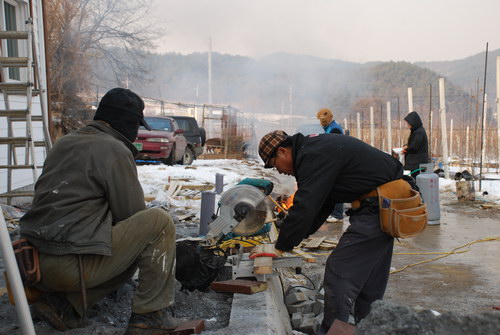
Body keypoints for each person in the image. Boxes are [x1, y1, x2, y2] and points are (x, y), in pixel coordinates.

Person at [20, 88, 186, 333]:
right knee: (158, 223)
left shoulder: (65, 142)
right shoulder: (115, 150)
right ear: (127, 123)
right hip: (70, 265)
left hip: (34, 264)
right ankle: (150, 316)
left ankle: (64, 306)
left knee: (117, 249)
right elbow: (132, 215)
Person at [258, 130, 404, 333]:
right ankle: (369, 328)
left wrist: (281, 245)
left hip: (379, 208)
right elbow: (323, 203)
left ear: (282, 151)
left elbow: (306, 204)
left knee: (339, 270)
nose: (279, 171)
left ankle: (331, 331)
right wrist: (294, 235)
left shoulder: (313, 155)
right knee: (369, 281)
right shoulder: (313, 149)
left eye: (274, 164)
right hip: (383, 206)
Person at [316, 108, 344, 222]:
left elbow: (333, 147)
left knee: (335, 187)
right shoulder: (329, 127)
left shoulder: (334, 129)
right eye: (320, 120)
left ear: (330, 118)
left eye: (324, 120)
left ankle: (337, 215)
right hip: (334, 161)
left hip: (336, 162)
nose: (322, 122)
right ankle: (334, 213)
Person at [402, 111, 429, 179]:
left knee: (417, 180)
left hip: (417, 163)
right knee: (416, 179)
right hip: (416, 163)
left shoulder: (418, 132)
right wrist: (406, 146)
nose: (408, 125)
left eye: (409, 123)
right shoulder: (416, 131)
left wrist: (406, 149)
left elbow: (414, 147)